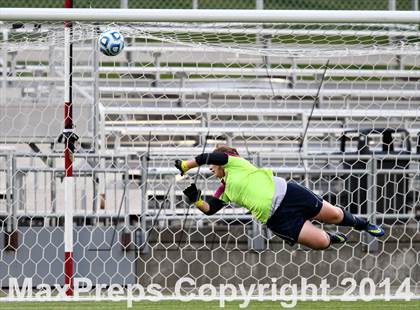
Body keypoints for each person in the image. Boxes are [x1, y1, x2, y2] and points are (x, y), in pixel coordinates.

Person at [174, 145, 384, 250]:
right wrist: (196, 199)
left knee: (335, 215)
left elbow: (205, 157)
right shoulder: (224, 189)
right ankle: (331, 237)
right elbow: (210, 209)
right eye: (210, 166)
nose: (210, 167)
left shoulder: (235, 162)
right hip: (277, 218)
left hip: (288, 194)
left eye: (213, 165)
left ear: (223, 160)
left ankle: (363, 225)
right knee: (321, 243)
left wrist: (185, 166)